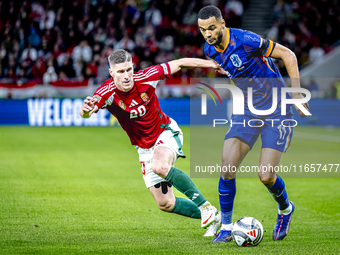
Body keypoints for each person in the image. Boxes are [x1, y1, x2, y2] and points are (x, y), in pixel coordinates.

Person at [80, 49, 227, 236]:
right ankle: (217, 217)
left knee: (159, 166)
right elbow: (87, 112)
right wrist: (85, 110)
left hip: (164, 132)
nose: (126, 76)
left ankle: (205, 207)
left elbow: (180, 63)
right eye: (120, 72)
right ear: (111, 73)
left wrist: (213, 64)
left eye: (129, 70)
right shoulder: (106, 92)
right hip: (143, 148)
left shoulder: (147, 77)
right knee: (165, 203)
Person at [197, 6, 309, 242]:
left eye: (211, 28)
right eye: (202, 29)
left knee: (266, 176)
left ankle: (285, 209)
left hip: (276, 109)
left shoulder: (246, 40)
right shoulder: (210, 49)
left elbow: (288, 55)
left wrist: (296, 94)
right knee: (227, 167)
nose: (207, 34)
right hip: (247, 109)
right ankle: (226, 227)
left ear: (223, 24)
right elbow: (231, 66)